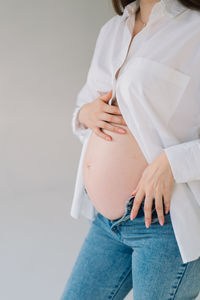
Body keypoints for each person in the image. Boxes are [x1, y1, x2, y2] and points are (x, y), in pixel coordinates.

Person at [61, 0, 200, 299]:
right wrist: (84, 114)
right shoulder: (112, 31)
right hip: (106, 224)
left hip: (165, 225)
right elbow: (86, 104)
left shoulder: (195, 30)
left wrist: (172, 162)